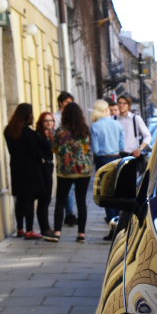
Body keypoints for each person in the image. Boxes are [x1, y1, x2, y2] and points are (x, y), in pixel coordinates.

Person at [2, 102, 50, 240]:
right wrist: (41, 159)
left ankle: (20, 228)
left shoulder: (8, 131)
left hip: (16, 167)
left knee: (20, 199)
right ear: (27, 115)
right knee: (29, 199)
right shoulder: (29, 133)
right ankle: (30, 230)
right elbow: (35, 152)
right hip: (31, 169)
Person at [51, 102, 93, 242]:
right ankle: (81, 234)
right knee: (81, 202)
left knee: (60, 202)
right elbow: (87, 148)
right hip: (83, 170)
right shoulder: (85, 130)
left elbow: (55, 149)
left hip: (65, 170)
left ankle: (57, 232)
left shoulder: (60, 131)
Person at [90, 100, 125, 227]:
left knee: (105, 192)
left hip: (103, 159)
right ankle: (119, 220)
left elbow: (95, 149)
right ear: (105, 110)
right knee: (116, 191)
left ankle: (112, 222)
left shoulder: (95, 126)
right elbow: (122, 145)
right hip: (116, 158)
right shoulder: (116, 124)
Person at [57, 91, 79, 226]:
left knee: (76, 191)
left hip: (76, 161)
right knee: (68, 191)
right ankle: (70, 213)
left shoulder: (76, 121)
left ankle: (70, 215)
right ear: (60, 103)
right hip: (64, 161)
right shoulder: (55, 117)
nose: (68, 105)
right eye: (66, 102)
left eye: (70, 102)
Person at [116, 95, 153, 171]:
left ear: (128, 106)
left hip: (131, 155)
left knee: (130, 181)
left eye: (124, 103)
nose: (121, 105)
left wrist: (139, 149)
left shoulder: (135, 118)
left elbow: (148, 136)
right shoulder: (114, 119)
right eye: (119, 103)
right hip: (116, 155)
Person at [35, 110, 56, 237]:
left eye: (51, 120)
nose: (49, 123)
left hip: (49, 166)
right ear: (41, 122)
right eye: (46, 120)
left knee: (47, 199)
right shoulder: (39, 135)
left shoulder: (49, 134)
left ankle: (46, 227)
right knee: (44, 199)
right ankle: (45, 228)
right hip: (43, 169)